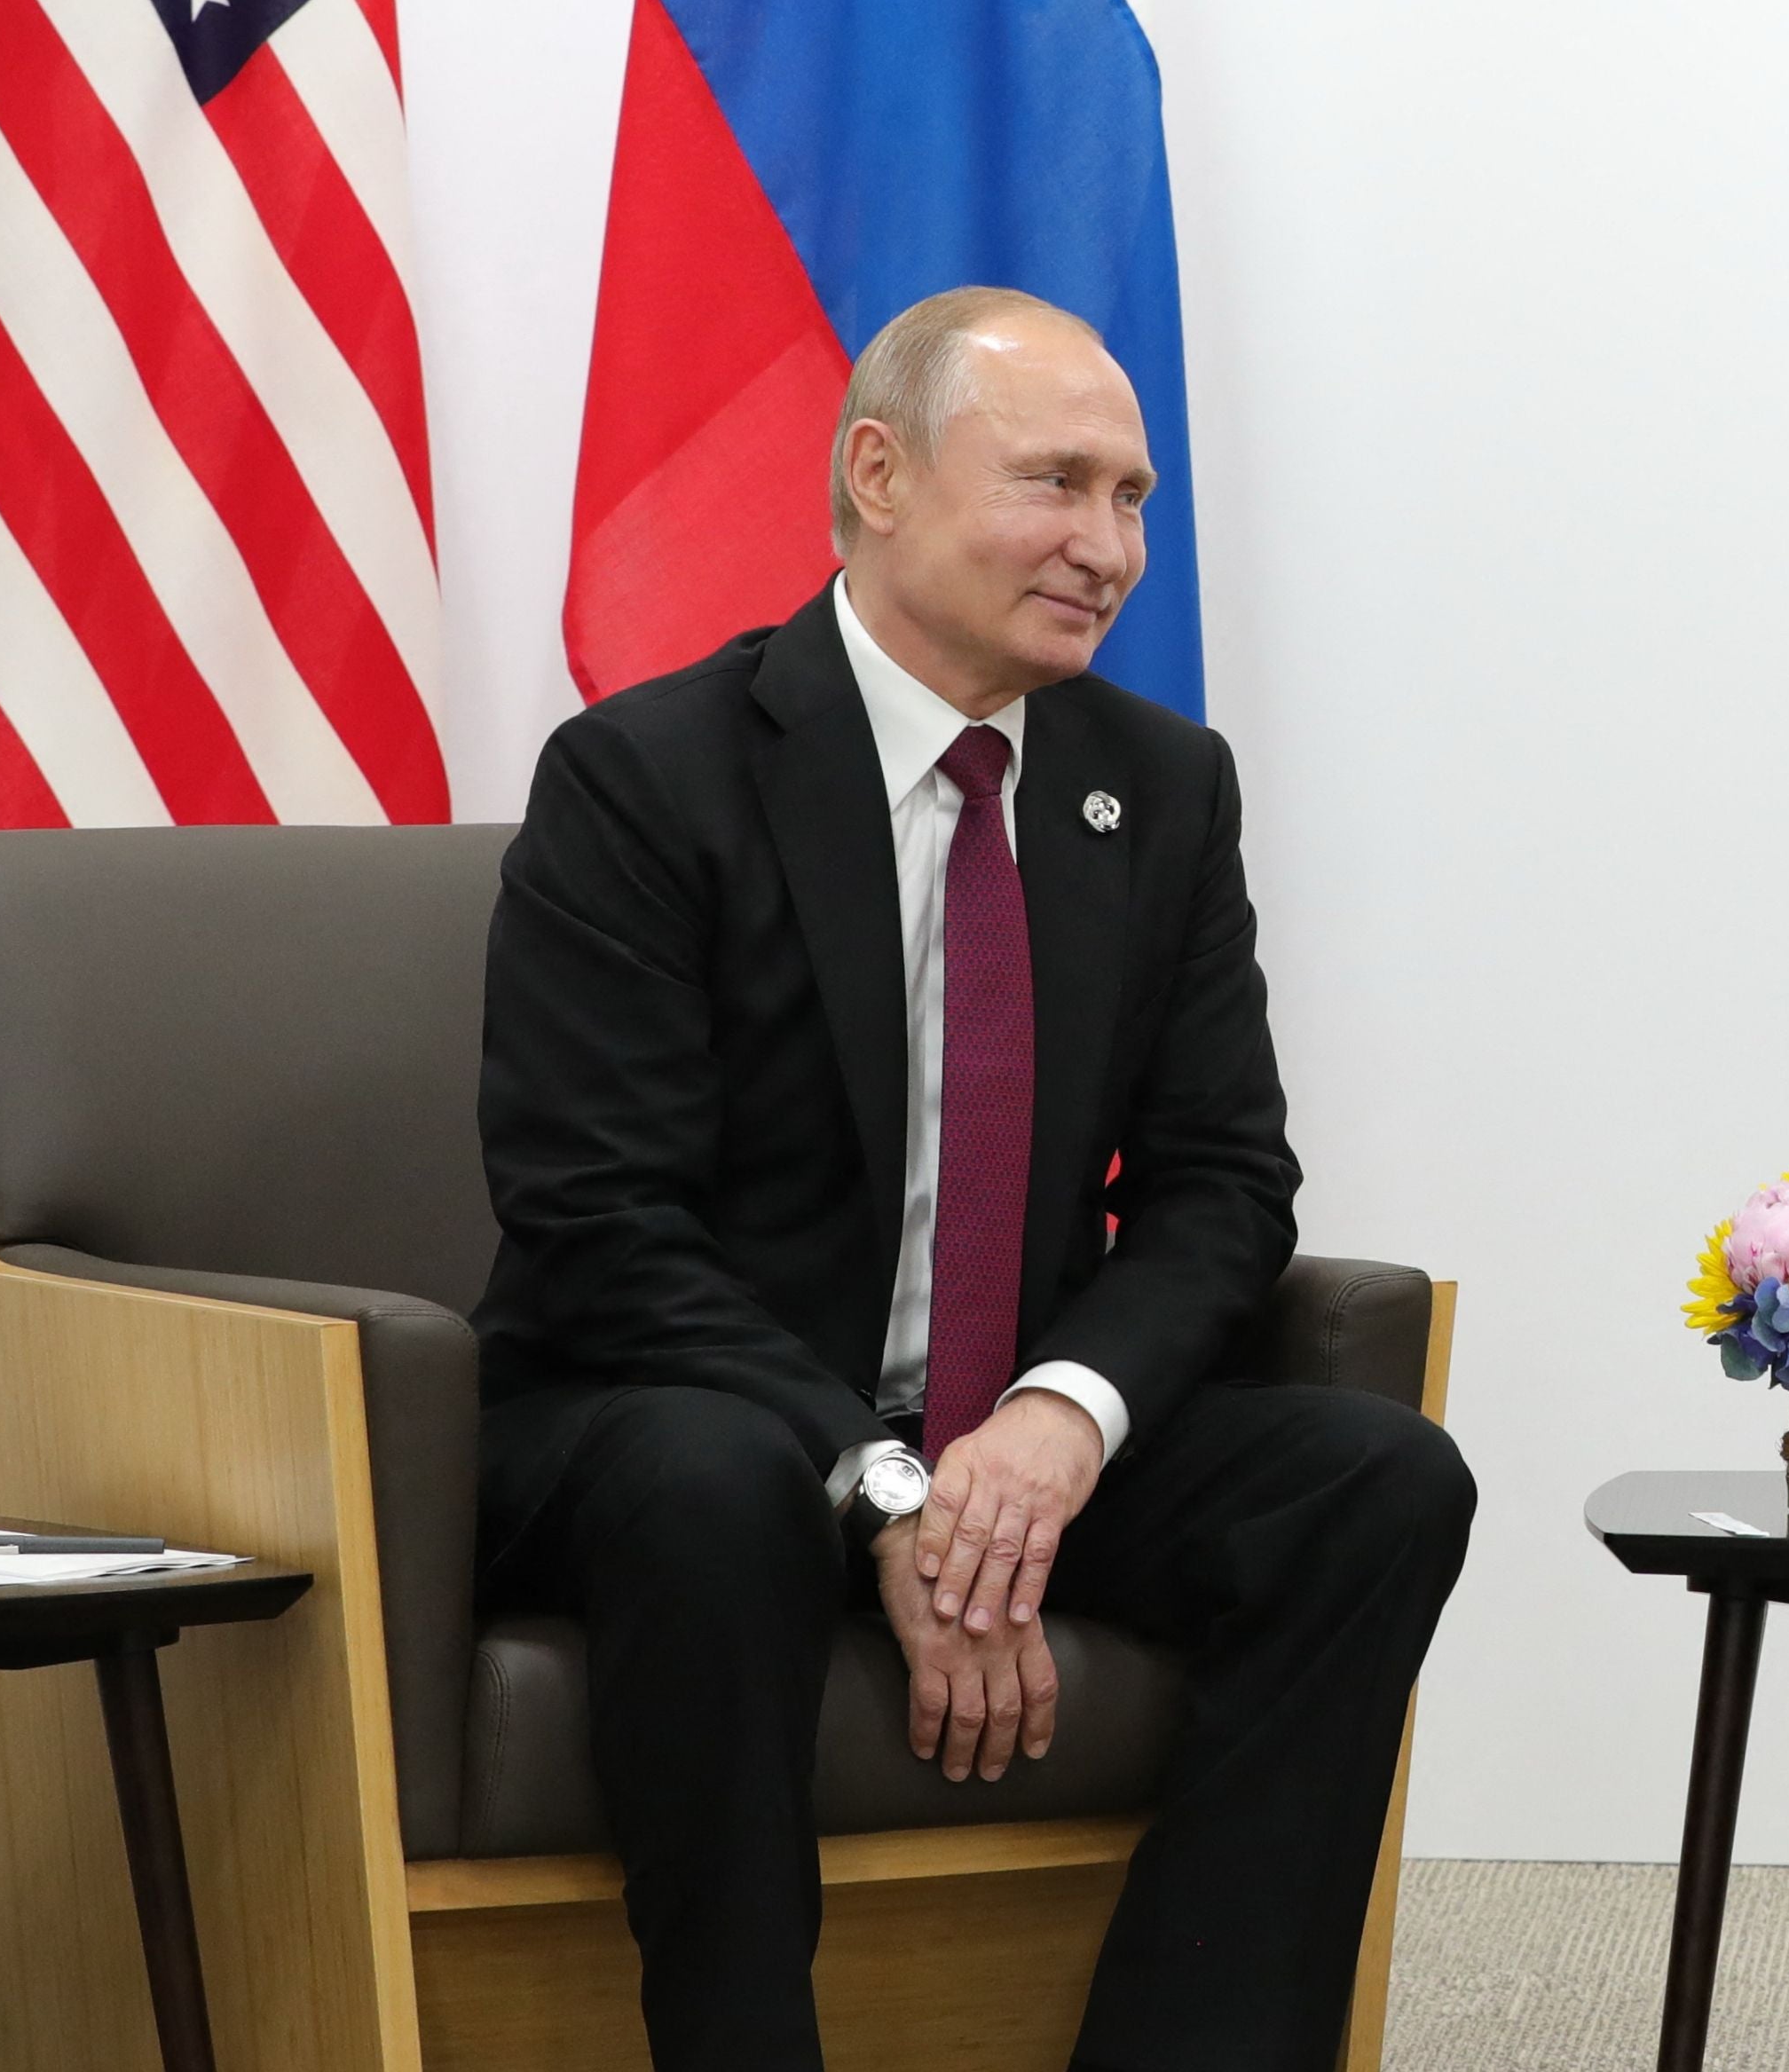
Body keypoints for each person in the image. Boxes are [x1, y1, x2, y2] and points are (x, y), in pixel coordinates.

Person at [470, 286, 1475, 2072]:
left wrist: (1058, 1424)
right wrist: (883, 1487)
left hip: (1002, 1420)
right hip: (684, 1410)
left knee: (1375, 1482)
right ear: (878, 473)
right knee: (714, 1483)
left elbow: (1222, 1186)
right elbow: (600, 1225)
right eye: (1060, 485)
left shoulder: (1158, 789)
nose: (1112, 549)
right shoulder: (645, 779)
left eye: (1137, 500)